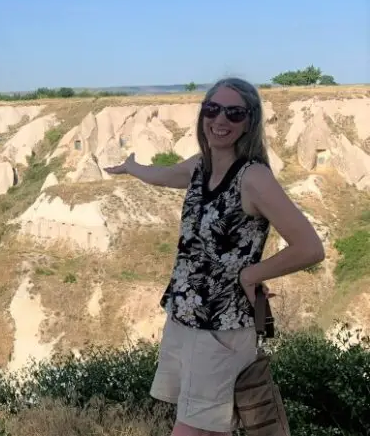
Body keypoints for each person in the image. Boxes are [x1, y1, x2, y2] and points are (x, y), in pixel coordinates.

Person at [103, 77, 324, 436]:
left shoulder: (254, 178)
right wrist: (133, 168)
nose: (220, 120)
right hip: (185, 318)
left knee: (194, 429)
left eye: (234, 113)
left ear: (249, 122)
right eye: (212, 109)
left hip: (222, 329)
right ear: (202, 113)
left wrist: (252, 275)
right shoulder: (200, 167)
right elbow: (163, 175)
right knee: (205, 425)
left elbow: (310, 247)